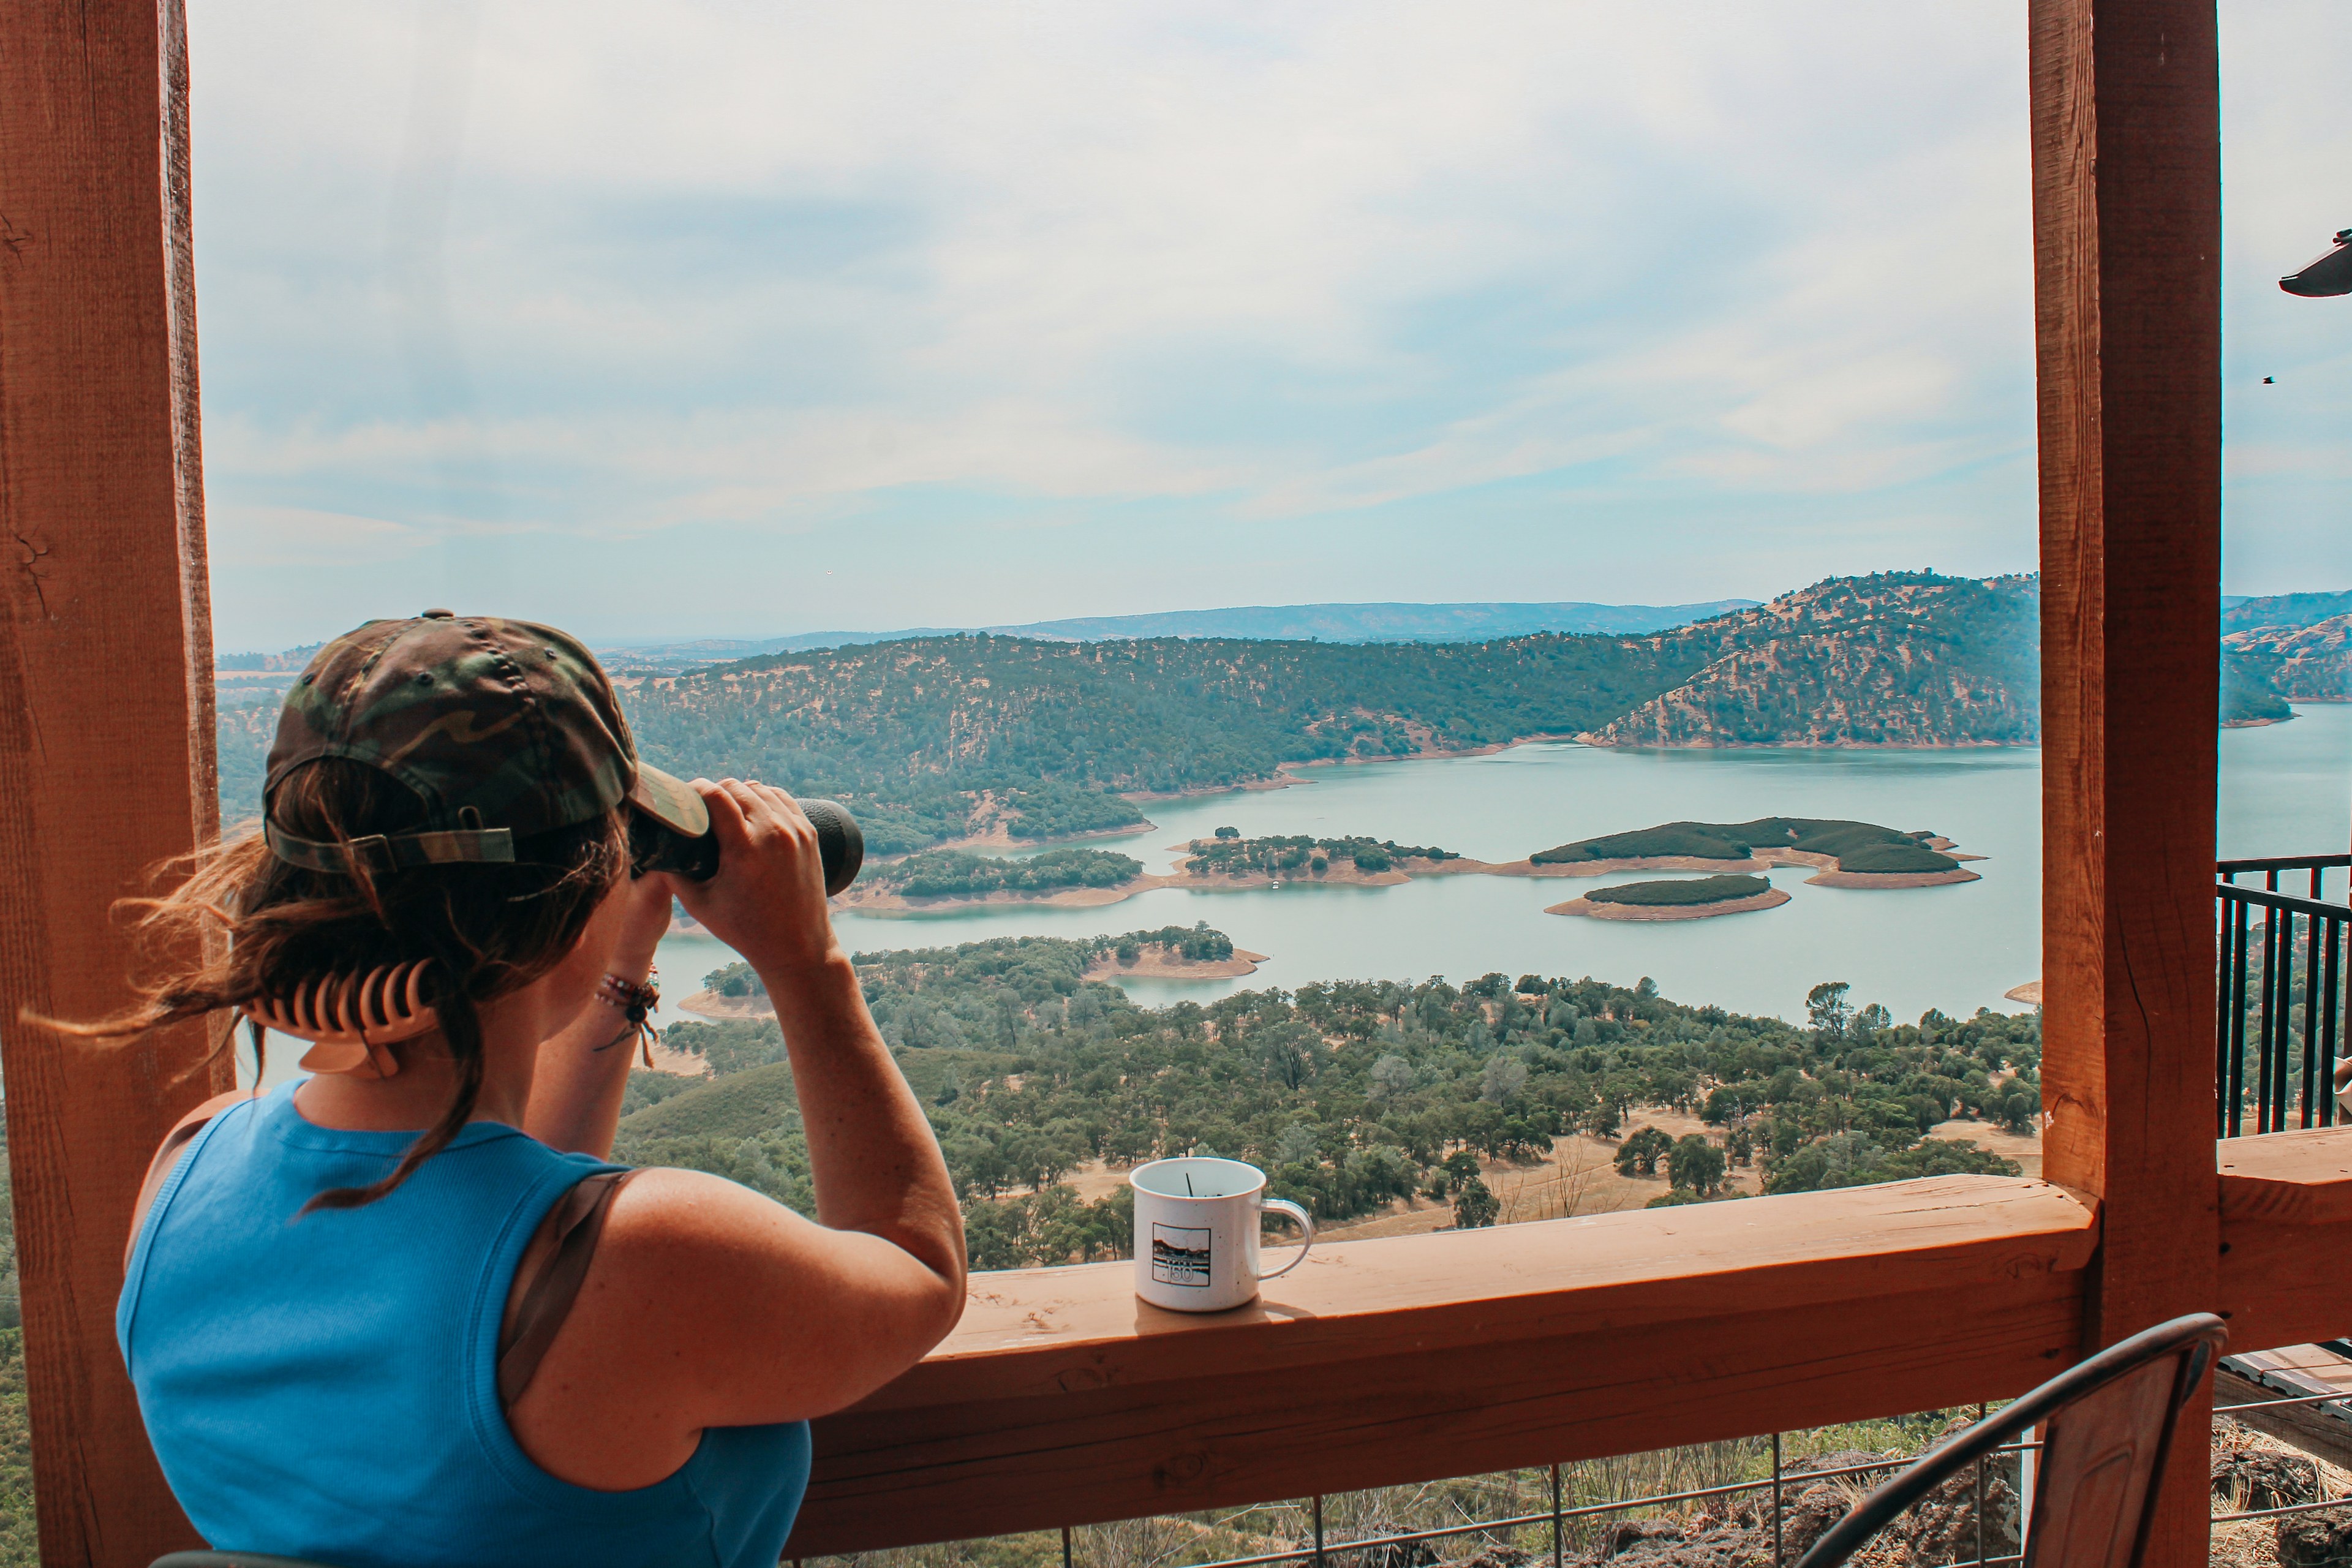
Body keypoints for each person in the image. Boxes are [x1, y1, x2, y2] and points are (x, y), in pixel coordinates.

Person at [80, 611, 966, 1568]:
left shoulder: (181, 1173)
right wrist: (806, 962)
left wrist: (620, 960)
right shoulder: (656, 1257)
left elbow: (517, 1209)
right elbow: (917, 1270)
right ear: (575, 897)